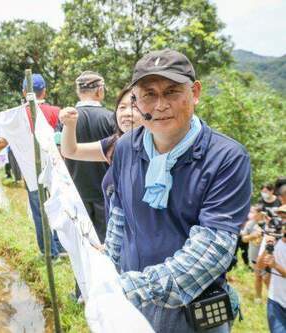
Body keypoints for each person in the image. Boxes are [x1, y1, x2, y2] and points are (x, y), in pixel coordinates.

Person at [105, 49, 251, 332]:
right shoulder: (125, 148)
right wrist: (108, 272)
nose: (160, 105)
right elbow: (119, 218)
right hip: (132, 299)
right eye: (149, 94)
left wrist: (130, 288)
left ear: (194, 92)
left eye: (172, 92)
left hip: (191, 311)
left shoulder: (227, 157)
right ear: (135, 100)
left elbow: (212, 250)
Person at [0, 74, 64, 259]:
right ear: (45, 91)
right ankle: (62, 247)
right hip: (57, 170)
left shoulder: (16, 116)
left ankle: (49, 253)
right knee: (59, 208)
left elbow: (2, 141)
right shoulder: (57, 112)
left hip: (32, 172)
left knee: (40, 211)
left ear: (24, 92)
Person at [60, 86, 142, 219]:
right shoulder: (115, 144)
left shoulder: (158, 148)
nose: (127, 112)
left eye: (135, 107)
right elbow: (70, 151)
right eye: (122, 107)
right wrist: (70, 125)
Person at [60, 71, 116, 244]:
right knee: (107, 243)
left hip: (76, 191)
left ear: (78, 92)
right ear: (99, 91)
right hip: (105, 193)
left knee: (82, 244)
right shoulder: (111, 118)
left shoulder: (65, 120)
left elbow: (59, 154)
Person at [256, 205, 286, 333]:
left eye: (284, 217)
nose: (281, 221)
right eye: (280, 217)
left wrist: (276, 266)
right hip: (276, 301)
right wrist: (269, 245)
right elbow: (259, 267)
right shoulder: (272, 237)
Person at [241, 205, 267, 303]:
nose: (250, 214)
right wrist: (252, 236)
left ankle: (274, 299)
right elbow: (243, 239)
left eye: (253, 212)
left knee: (267, 277)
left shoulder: (268, 223)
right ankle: (258, 297)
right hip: (254, 255)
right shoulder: (249, 224)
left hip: (268, 255)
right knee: (258, 276)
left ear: (260, 213)